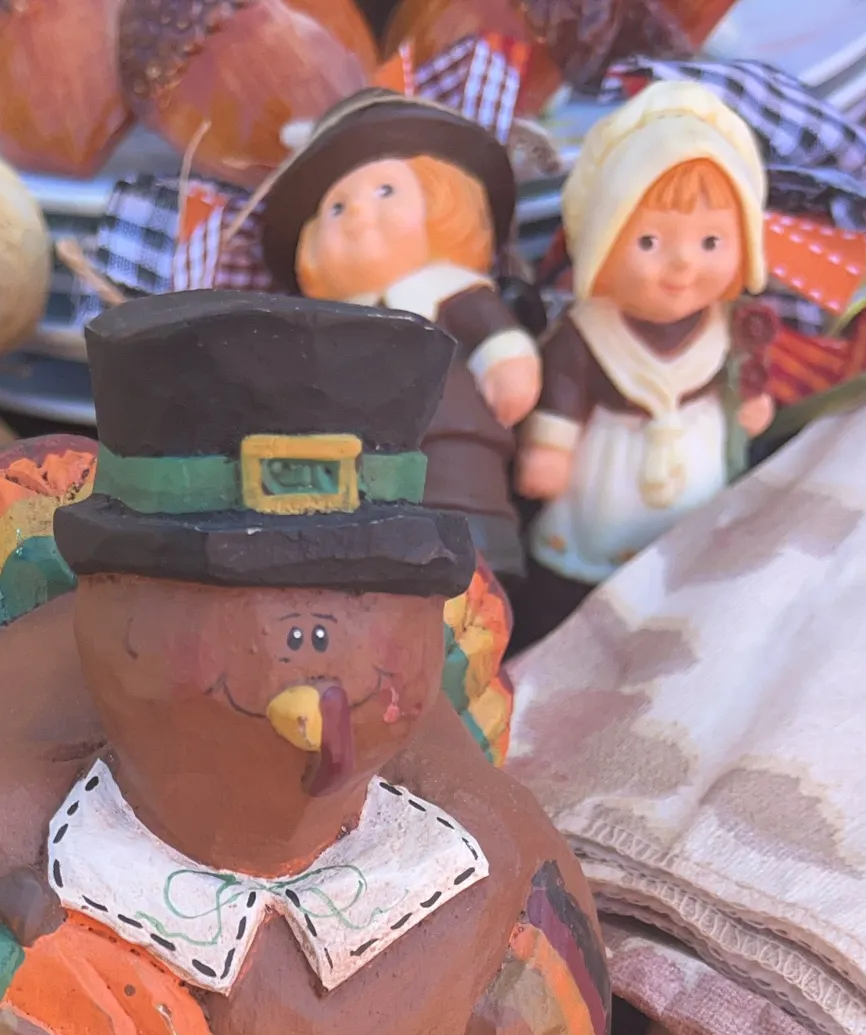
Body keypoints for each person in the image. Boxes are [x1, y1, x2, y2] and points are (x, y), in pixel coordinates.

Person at [514, 79, 774, 642]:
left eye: (710, 243)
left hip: (695, 484)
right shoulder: (585, 334)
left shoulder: (724, 326)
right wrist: (551, 447)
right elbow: (562, 389)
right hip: (604, 486)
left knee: (688, 585)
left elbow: (739, 376)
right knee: (571, 594)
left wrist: (750, 401)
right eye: (650, 242)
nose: (683, 265)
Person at [261, 88, 541, 586]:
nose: (359, 213)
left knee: (472, 565)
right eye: (337, 208)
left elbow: (495, 337)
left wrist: (508, 364)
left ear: (444, 200)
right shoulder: (328, 329)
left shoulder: (455, 293)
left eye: (385, 191)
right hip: (356, 491)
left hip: (456, 464)